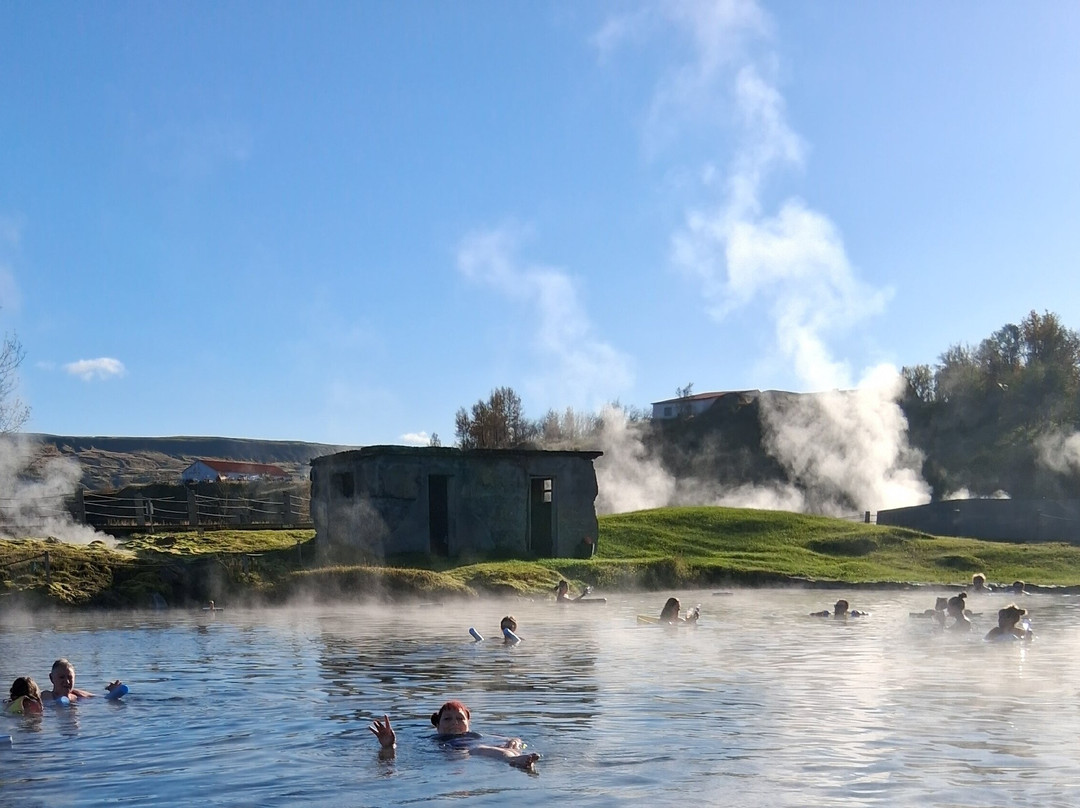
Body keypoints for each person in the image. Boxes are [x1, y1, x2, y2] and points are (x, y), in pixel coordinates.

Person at [369, 700, 540, 769]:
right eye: (448, 719)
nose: (454, 723)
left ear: (468, 723)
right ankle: (514, 760)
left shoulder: (475, 735)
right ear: (437, 725)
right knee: (480, 749)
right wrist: (389, 746)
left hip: (480, 751)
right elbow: (401, 754)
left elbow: (513, 739)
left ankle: (518, 758)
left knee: (500, 748)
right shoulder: (434, 739)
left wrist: (515, 742)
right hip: (458, 754)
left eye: (460, 718)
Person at [40, 658, 123, 703]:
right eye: (61, 677)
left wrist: (113, 692)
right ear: (51, 678)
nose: (67, 681)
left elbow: (102, 698)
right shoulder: (47, 695)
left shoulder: (76, 694)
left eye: (70, 677)